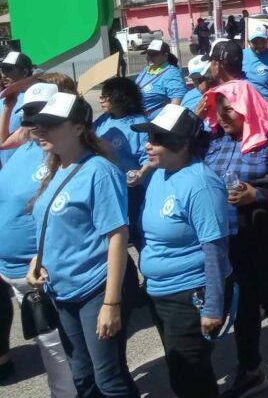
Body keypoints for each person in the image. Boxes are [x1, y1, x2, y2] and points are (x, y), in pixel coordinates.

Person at [26, 93, 138, 397]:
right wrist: (37, 260)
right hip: (63, 290)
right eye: (39, 125)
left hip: (97, 288)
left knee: (108, 379)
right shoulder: (57, 168)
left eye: (50, 125)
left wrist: (111, 304)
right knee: (82, 376)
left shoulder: (99, 171)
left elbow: (117, 236)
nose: (40, 131)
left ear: (78, 128)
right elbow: (52, 223)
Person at [203, 80, 268, 398]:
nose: (222, 117)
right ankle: (250, 370)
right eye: (218, 110)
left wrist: (258, 194)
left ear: (246, 106)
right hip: (231, 240)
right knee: (244, 309)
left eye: (228, 109)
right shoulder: (217, 141)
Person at [133, 104, 231, 398]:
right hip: (160, 292)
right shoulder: (161, 174)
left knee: (192, 379)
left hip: (189, 295)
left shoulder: (200, 185)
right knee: (181, 374)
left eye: (157, 139)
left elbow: (215, 249)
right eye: (149, 137)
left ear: (182, 144)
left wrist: (213, 307)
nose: (148, 144)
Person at [0, 83, 75, 397]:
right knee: (49, 349)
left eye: (39, 117)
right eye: (27, 118)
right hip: (13, 271)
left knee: (60, 356)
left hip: (42, 275)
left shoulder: (63, 156)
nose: (32, 125)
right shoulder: (24, 146)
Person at [95, 78, 151, 248]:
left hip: (134, 188)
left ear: (121, 98)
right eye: (101, 96)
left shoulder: (139, 122)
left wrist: (142, 173)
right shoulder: (103, 120)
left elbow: (148, 156)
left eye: (106, 96)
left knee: (138, 232)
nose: (101, 100)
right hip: (109, 186)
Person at [135, 40, 187, 117]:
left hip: (152, 122)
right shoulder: (146, 69)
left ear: (165, 55)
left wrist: (164, 123)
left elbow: (177, 99)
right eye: (148, 54)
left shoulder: (171, 73)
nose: (149, 58)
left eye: (153, 55)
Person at [1, 50, 34, 164]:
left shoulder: (34, 98)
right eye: (2, 69)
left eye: (8, 69)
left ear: (25, 72)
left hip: (25, 165)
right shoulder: (2, 99)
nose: (4, 74)